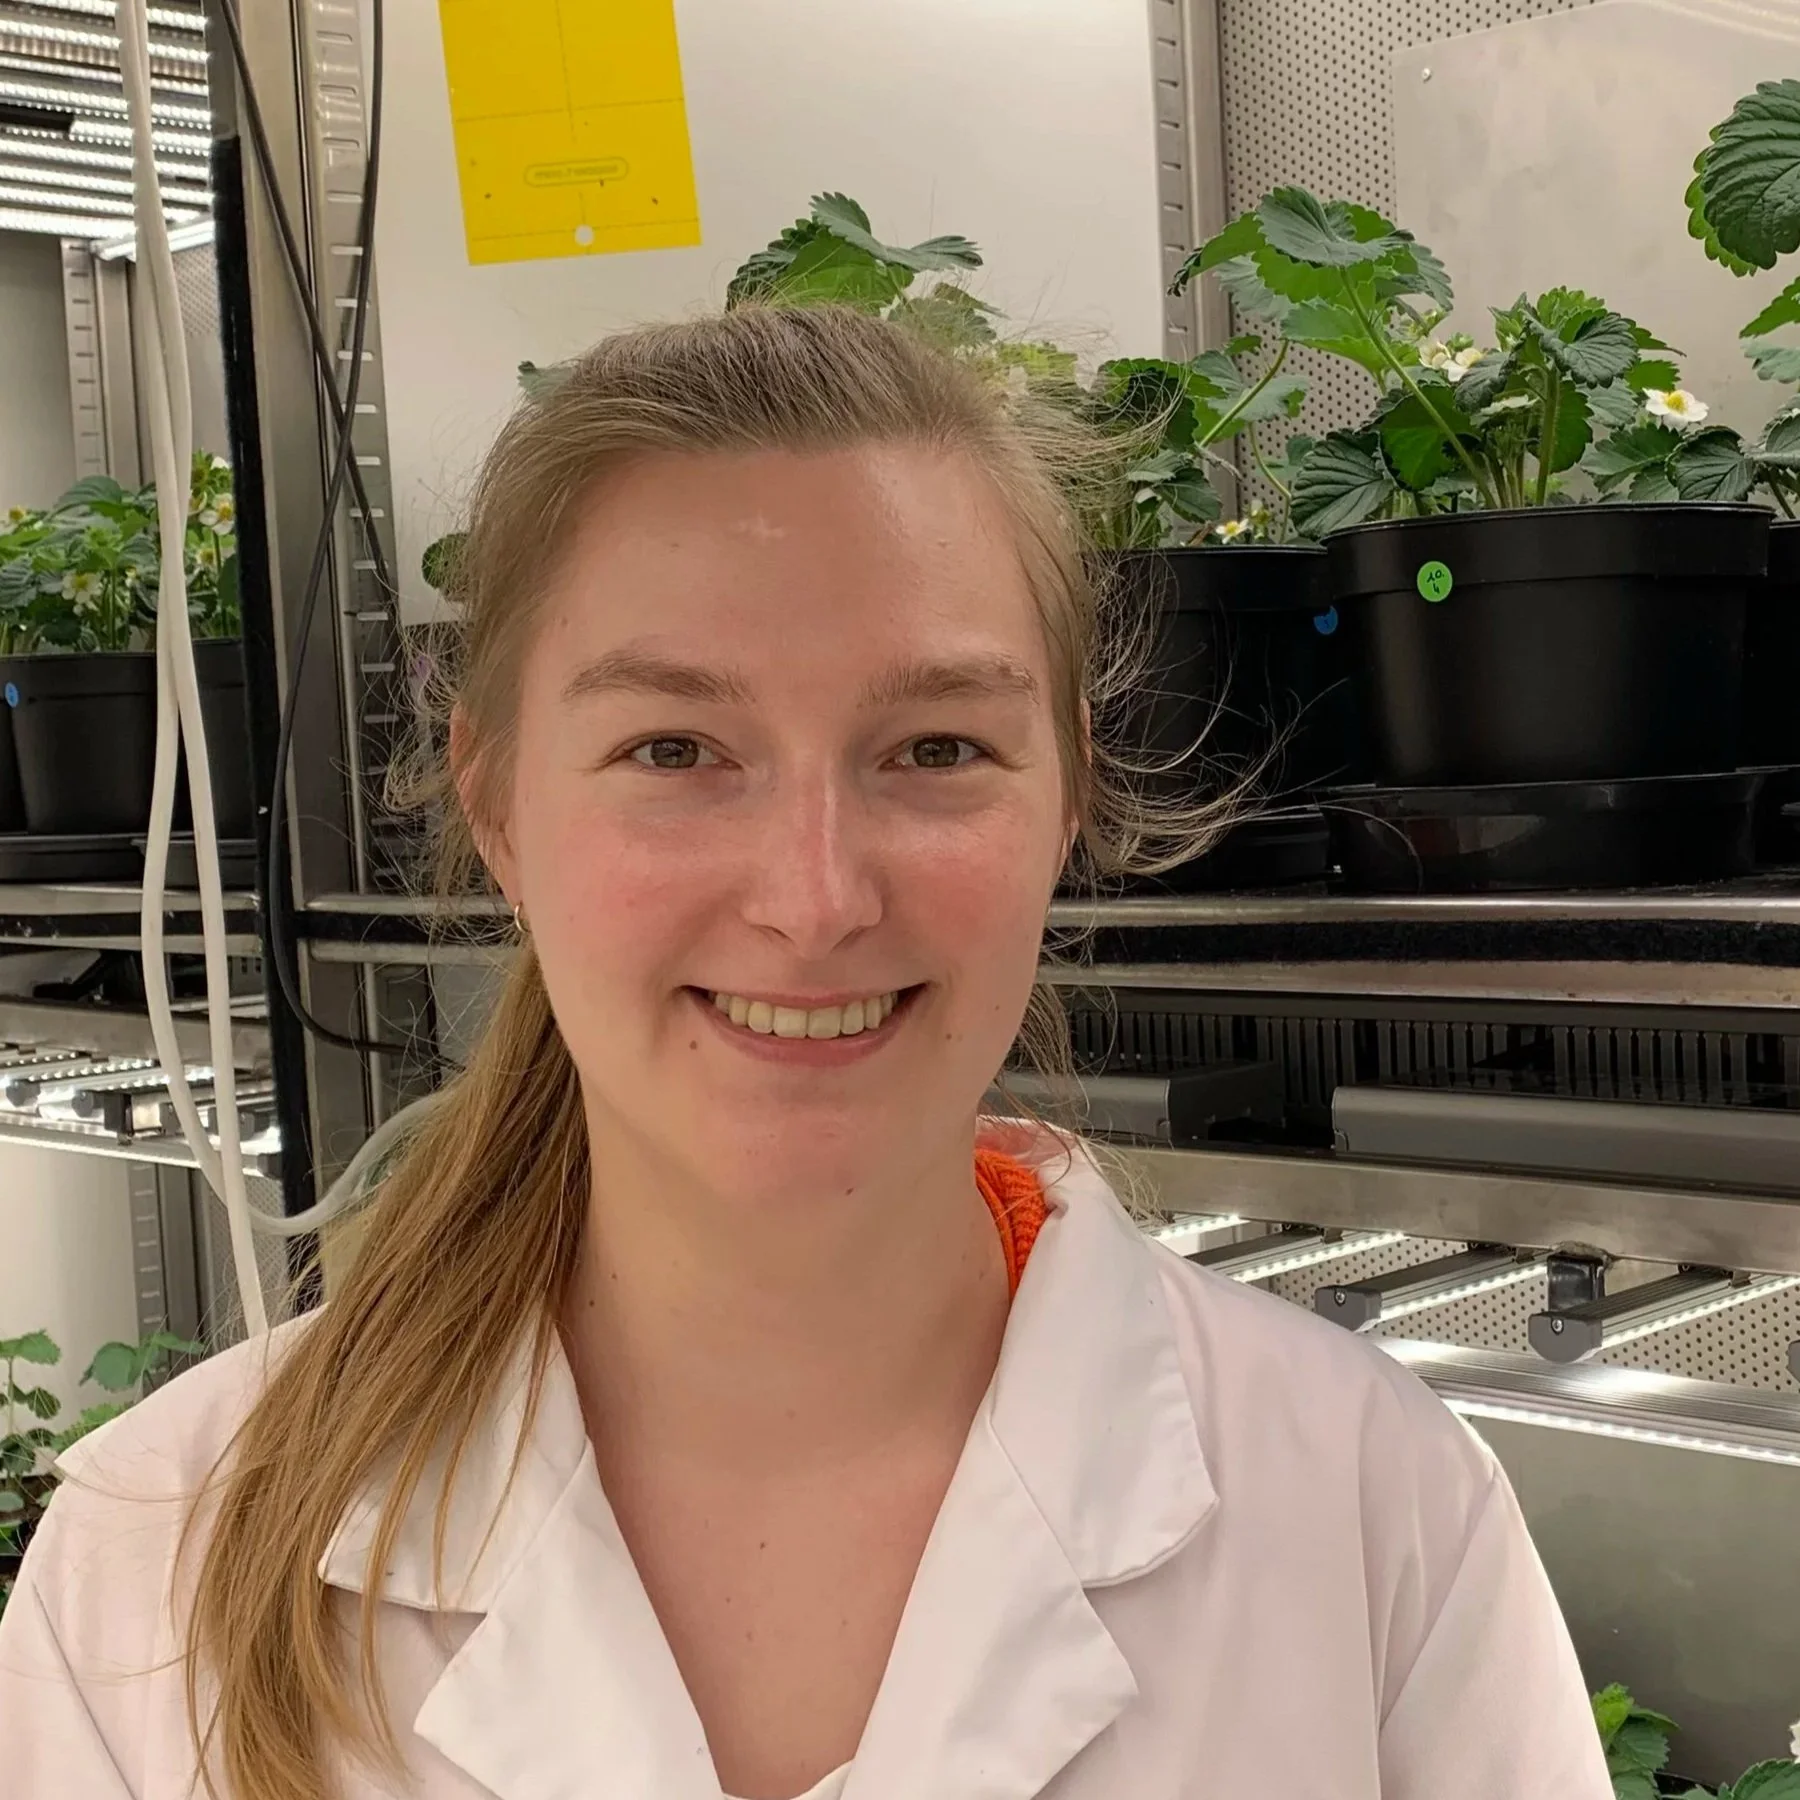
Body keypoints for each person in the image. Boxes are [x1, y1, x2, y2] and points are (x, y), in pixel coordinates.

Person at [0, 305, 1612, 1800]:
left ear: (1066, 795)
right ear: (497, 806)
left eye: (936, 747)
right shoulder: (154, 1567)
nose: (817, 897)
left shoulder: (1376, 1517)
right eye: (675, 749)